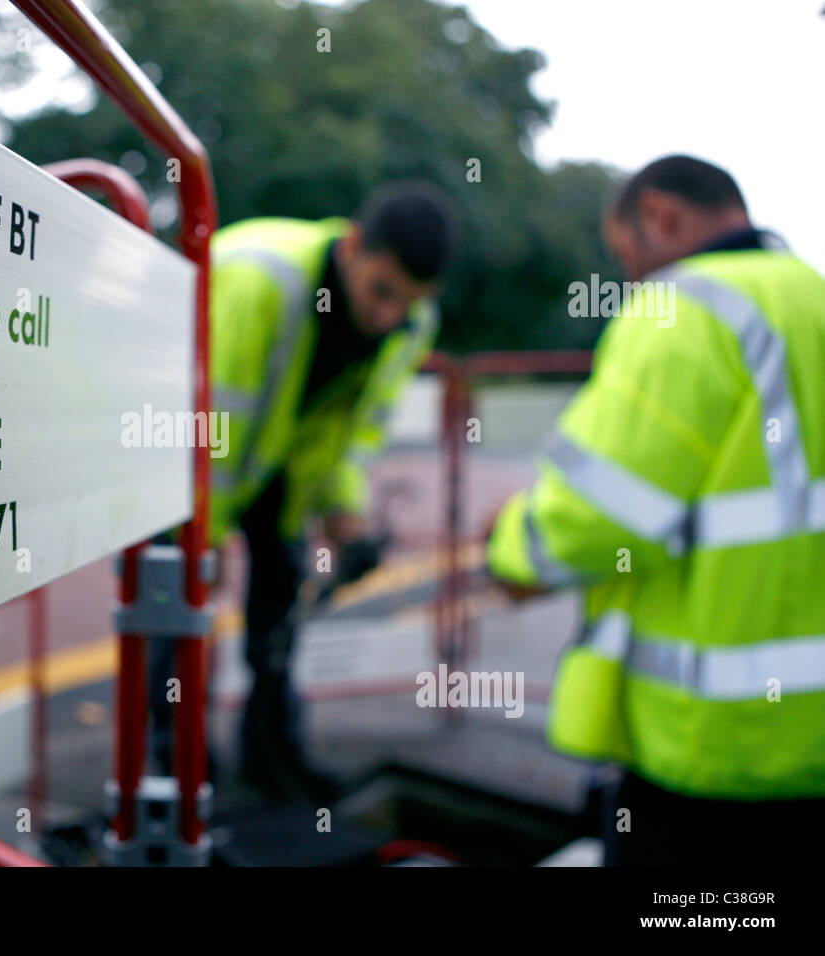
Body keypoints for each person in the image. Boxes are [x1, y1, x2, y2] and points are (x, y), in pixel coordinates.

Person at [486, 155, 825, 866]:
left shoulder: (685, 308)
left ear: (662, 217)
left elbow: (597, 513)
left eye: (625, 255)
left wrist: (511, 548)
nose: (632, 278)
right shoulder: (811, 294)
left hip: (711, 750)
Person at [150, 183, 457, 802]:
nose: (389, 317)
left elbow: (358, 421)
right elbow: (209, 426)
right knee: (177, 625)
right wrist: (197, 544)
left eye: (412, 300)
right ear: (351, 248)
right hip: (181, 460)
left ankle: (272, 756)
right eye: (382, 292)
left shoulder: (414, 321)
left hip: (275, 466)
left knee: (279, 619)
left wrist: (340, 503)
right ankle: (179, 773)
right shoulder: (260, 281)